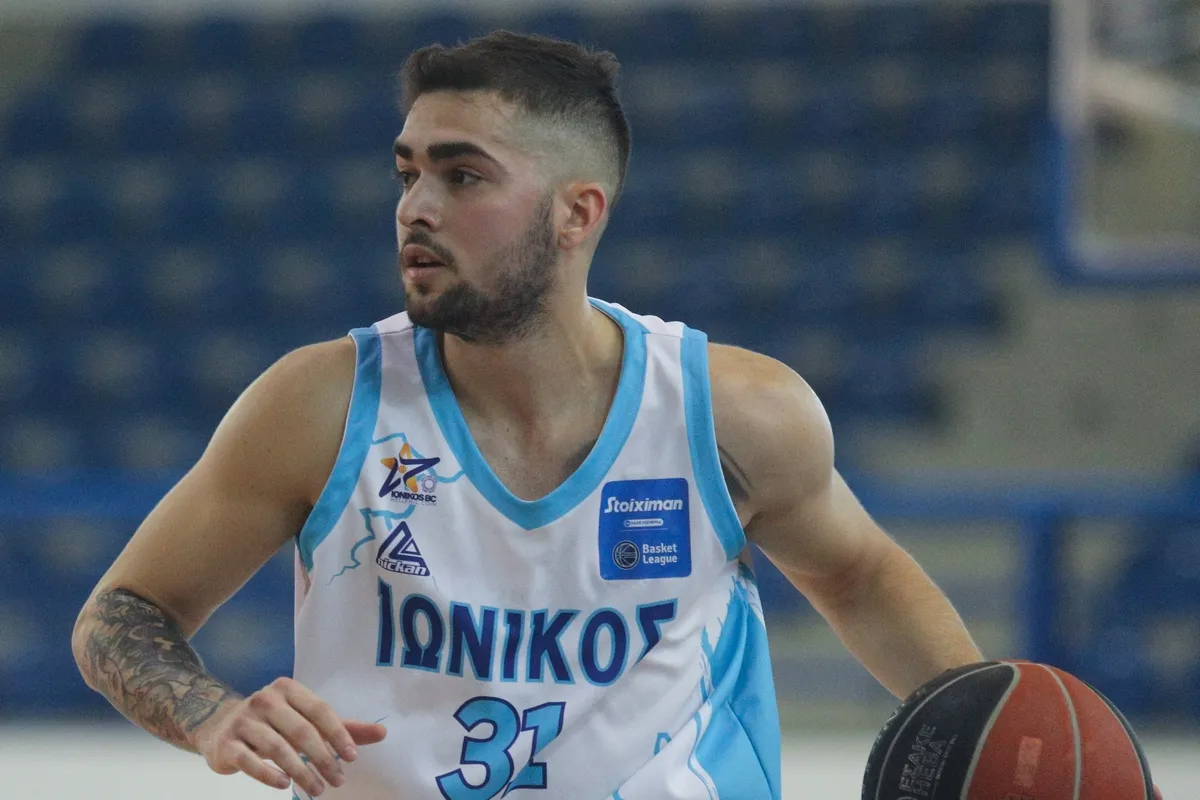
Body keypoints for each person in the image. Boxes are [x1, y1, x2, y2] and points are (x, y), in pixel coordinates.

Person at [72, 31, 983, 799]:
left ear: (576, 214)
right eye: (408, 173)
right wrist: (212, 714)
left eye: (463, 176)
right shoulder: (320, 404)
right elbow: (120, 613)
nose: (416, 209)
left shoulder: (733, 414)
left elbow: (859, 578)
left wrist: (990, 730)